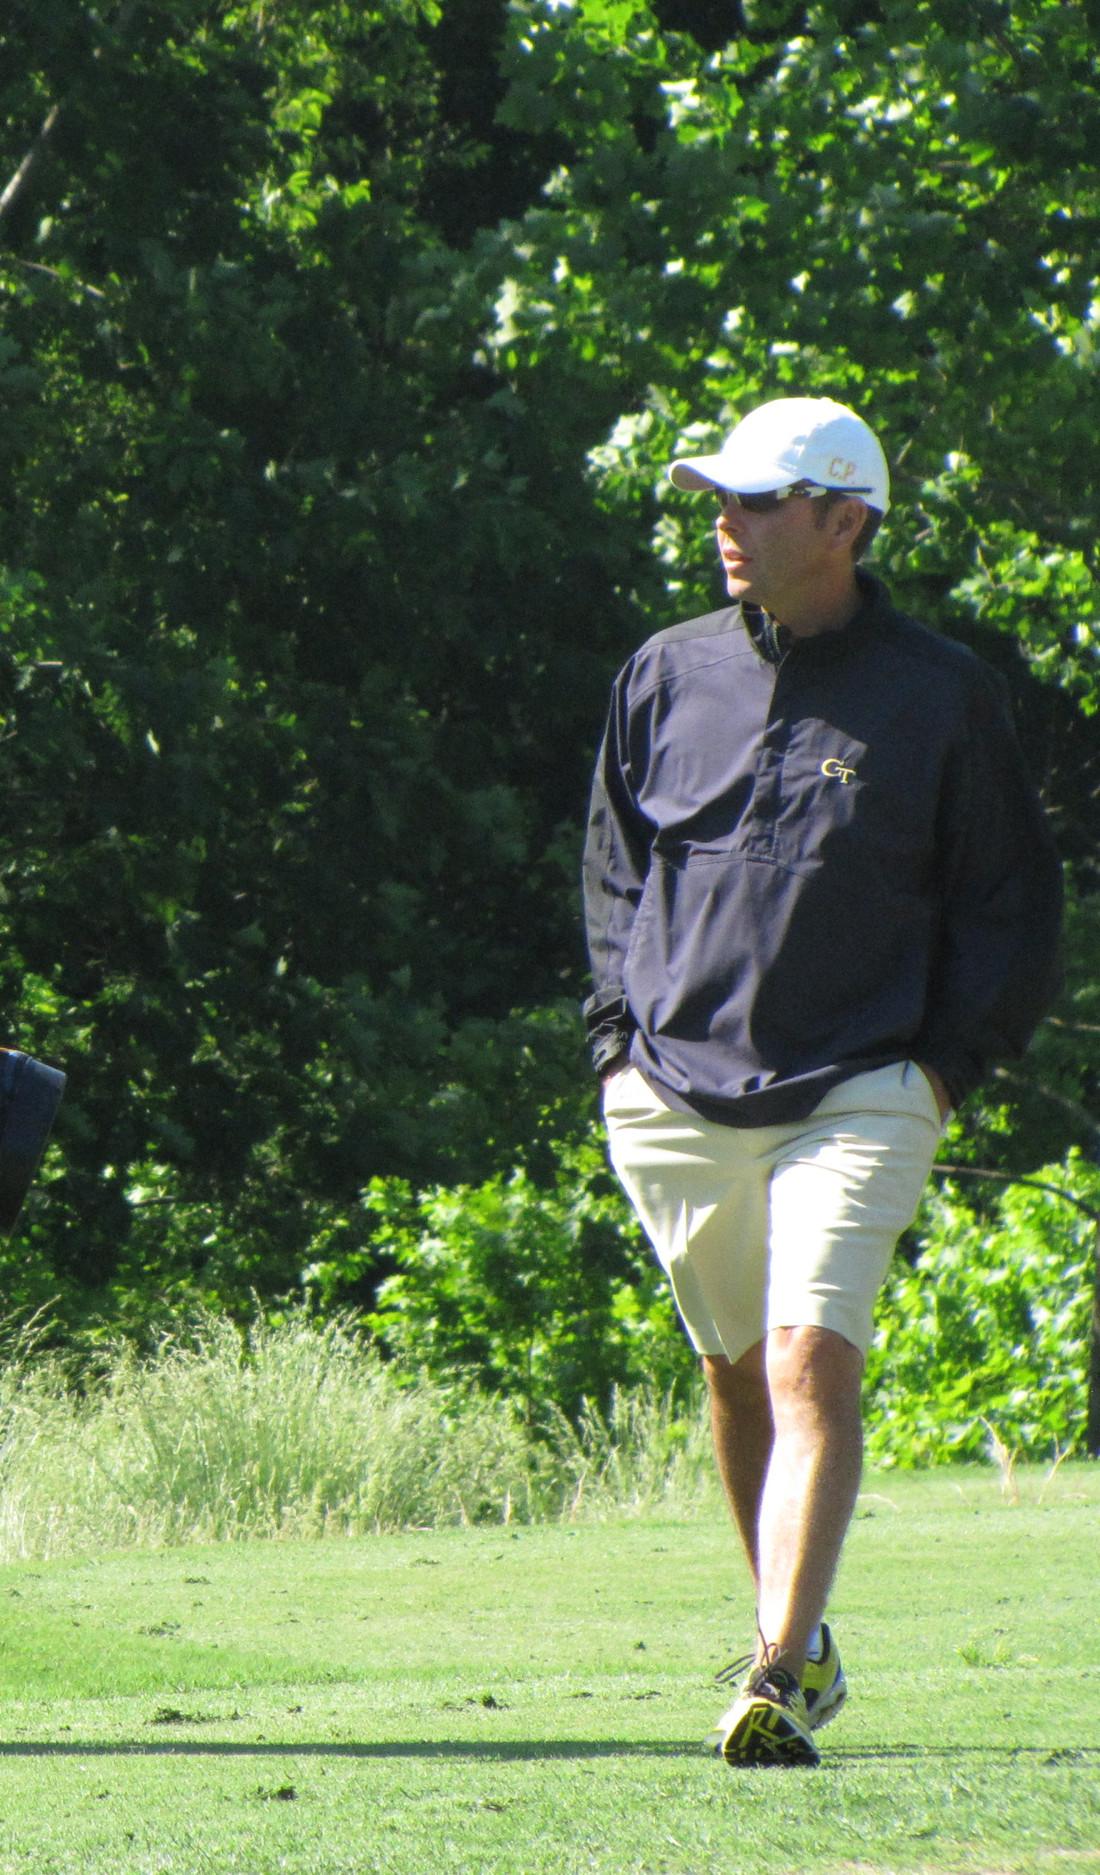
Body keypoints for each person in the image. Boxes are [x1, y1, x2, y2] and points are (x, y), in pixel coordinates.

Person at [583, 397, 1062, 1767]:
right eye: (720, 501)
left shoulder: (942, 692)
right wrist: (615, 1044)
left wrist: (945, 1068)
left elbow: (1012, 903)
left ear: (844, 522)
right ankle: (794, 1635)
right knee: (738, 1376)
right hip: (671, 1089)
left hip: (864, 1082)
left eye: (756, 502)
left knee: (807, 1358)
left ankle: (779, 1670)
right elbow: (614, 874)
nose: (725, 525)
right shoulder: (663, 672)